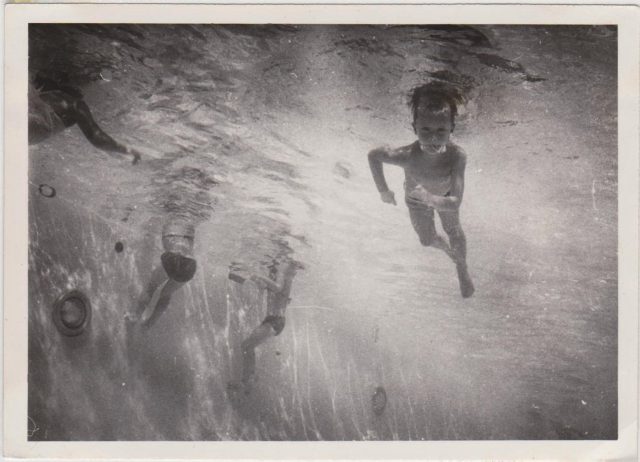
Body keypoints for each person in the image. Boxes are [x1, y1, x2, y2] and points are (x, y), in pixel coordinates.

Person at [367, 82, 474, 298]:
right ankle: (448, 252)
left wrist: (430, 198)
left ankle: (462, 267)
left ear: (452, 129)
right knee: (426, 240)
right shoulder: (407, 155)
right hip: (416, 201)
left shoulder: (457, 156)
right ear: (414, 128)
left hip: (444, 198)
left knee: (453, 230)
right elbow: (374, 156)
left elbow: (455, 201)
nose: (433, 137)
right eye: (426, 130)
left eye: (441, 130)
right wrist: (383, 191)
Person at [227, 257, 299, 396]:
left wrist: (254, 274)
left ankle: (248, 380)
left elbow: (277, 287)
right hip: (272, 320)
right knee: (246, 346)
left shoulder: (281, 272)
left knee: (247, 346)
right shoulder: (279, 274)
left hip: (276, 321)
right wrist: (239, 273)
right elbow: (264, 286)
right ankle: (247, 380)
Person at [28, 76, 141, 164]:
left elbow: (97, 138)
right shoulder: (74, 104)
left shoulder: (48, 89)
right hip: (35, 126)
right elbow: (96, 137)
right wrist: (126, 150)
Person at [138, 219, 197, 325]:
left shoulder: (168, 231)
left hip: (179, 264)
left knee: (152, 290)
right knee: (163, 294)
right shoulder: (174, 237)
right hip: (187, 267)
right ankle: (147, 324)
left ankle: (139, 319)